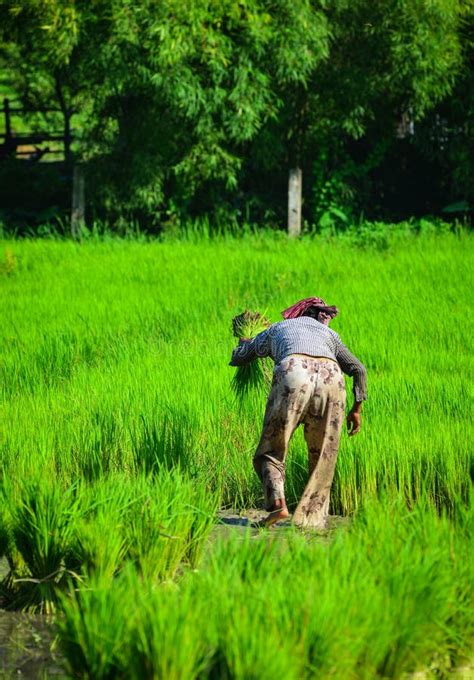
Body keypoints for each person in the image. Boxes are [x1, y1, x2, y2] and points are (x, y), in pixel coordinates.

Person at [229, 297, 367, 529]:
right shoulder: (330, 336)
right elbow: (358, 369)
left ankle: (277, 506)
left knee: (271, 450)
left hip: (293, 373)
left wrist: (244, 341)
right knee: (322, 455)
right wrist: (357, 409)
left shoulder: (279, 327)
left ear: (297, 313)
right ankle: (311, 522)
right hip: (333, 380)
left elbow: (240, 357)